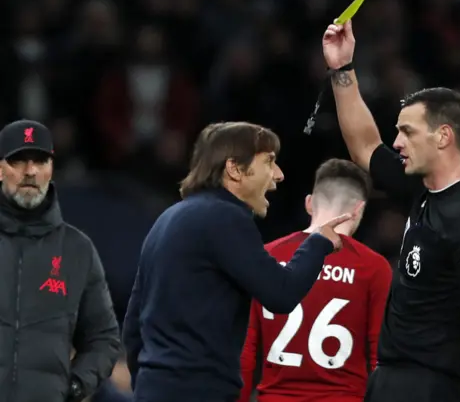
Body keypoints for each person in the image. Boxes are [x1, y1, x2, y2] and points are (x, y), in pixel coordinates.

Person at [321, 20, 460, 402]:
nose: (397, 142)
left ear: (443, 137)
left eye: (407, 132)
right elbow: (365, 147)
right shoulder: (425, 183)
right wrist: (342, 69)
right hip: (393, 377)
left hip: (429, 387)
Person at [123, 122, 359, 402]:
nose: (279, 175)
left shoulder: (167, 219)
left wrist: (149, 387)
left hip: (155, 389)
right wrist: (318, 242)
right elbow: (282, 293)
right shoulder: (225, 218)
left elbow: (133, 324)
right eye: (269, 162)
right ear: (234, 169)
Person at [239, 159, 392, 402]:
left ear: (309, 203)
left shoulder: (266, 255)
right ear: (358, 209)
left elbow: (246, 350)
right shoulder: (373, 267)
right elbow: (379, 358)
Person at [0, 120, 121, 402]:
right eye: (18, 160)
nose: (30, 171)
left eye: (40, 161)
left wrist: (76, 385)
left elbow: (103, 338)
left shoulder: (77, 250)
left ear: (51, 169)